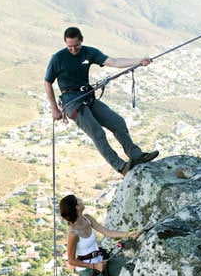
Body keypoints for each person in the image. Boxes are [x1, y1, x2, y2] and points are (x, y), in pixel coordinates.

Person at [45, 27, 159, 175]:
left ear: (82, 40)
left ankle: (136, 155)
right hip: (71, 102)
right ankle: (121, 167)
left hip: (87, 96)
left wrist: (139, 61)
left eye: (76, 46)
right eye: (69, 46)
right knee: (97, 133)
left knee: (118, 122)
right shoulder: (58, 58)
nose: (73, 49)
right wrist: (54, 109)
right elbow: (47, 82)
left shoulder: (89, 52)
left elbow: (114, 62)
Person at [59, 194, 139, 276]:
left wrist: (128, 234)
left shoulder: (87, 218)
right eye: (78, 199)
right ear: (77, 207)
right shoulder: (73, 234)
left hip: (101, 261)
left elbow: (107, 232)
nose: (81, 199)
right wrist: (94, 266)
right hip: (88, 270)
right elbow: (71, 260)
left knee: (132, 267)